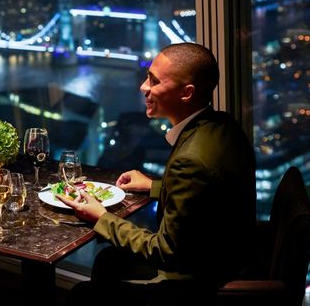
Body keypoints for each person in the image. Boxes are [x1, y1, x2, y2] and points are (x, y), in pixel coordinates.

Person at [58, 43, 256, 304]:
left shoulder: (190, 159)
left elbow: (166, 251)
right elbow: (206, 195)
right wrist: (154, 186)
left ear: (187, 93)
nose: (143, 87)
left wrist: (101, 218)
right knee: (109, 260)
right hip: (220, 255)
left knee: (80, 296)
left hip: (195, 283)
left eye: (154, 80)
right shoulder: (222, 125)